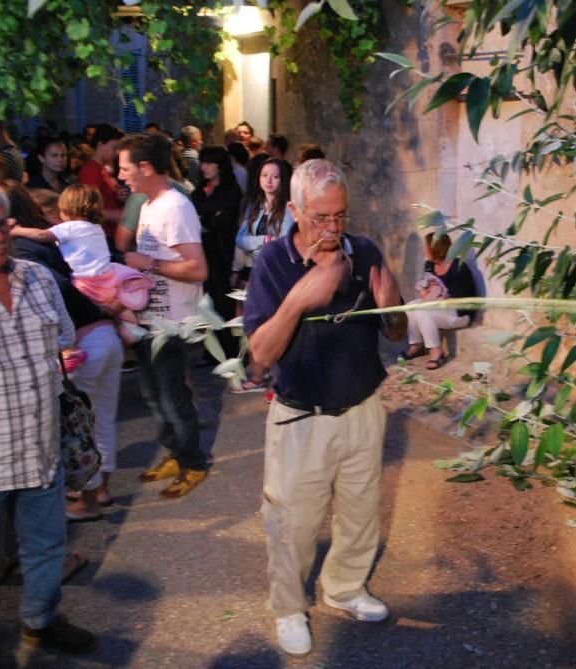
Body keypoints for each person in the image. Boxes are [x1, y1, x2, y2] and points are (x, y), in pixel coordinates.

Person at [243, 159, 406, 657]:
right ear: (294, 210)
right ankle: (290, 607)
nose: (333, 228)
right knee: (291, 521)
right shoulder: (272, 263)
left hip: (361, 409)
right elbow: (260, 355)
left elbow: (396, 332)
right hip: (301, 417)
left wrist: (392, 304)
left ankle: (345, 587)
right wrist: (297, 302)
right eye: (320, 218)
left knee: (360, 514)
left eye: (340, 216)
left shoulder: (364, 251)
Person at [0, 190, 96, 653]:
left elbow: (64, 334)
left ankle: (40, 620)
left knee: (46, 546)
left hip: (40, 444)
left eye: (2, 225)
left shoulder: (36, 277)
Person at [6, 183, 124, 518]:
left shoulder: (28, 250)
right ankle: (101, 491)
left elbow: (60, 296)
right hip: (108, 338)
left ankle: (86, 500)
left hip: (85, 341)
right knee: (103, 418)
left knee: (80, 424)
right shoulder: (80, 237)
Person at [118, 132, 210, 499]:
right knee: (154, 395)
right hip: (148, 319)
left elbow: (198, 269)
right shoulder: (148, 204)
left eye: (125, 168)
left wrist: (148, 263)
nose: (120, 175)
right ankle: (175, 453)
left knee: (172, 396)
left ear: (145, 167)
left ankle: (194, 463)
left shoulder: (175, 207)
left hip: (171, 321)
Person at [10, 184, 152, 344]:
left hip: (86, 283)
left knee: (89, 310)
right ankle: (128, 328)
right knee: (112, 310)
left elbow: (41, 234)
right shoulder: (96, 228)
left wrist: (16, 231)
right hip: (109, 279)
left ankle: (82, 347)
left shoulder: (68, 228)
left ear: (65, 210)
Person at [232, 158, 293, 392]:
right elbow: (240, 238)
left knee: (277, 324)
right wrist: (265, 240)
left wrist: (260, 243)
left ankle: (278, 376)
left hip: (278, 274)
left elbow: (285, 239)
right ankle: (258, 375)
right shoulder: (254, 207)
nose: (269, 180)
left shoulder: (288, 208)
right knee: (252, 324)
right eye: (264, 175)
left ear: (282, 180)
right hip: (255, 271)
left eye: (275, 176)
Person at [192, 145, 242, 358]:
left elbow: (222, 220)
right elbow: (197, 218)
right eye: (202, 162)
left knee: (224, 301)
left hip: (222, 253)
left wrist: (207, 219)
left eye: (209, 162)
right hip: (203, 251)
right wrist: (210, 218)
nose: (204, 167)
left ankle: (230, 350)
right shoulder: (199, 190)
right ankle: (211, 350)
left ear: (220, 165)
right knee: (205, 301)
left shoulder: (231, 189)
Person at [402, 232, 477, 369]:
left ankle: (436, 352)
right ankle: (416, 345)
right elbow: (425, 285)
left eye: (427, 247)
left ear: (436, 249)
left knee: (422, 312)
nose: (424, 250)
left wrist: (436, 299)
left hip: (458, 313)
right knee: (410, 307)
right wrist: (424, 292)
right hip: (437, 306)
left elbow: (459, 301)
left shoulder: (458, 268)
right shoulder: (430, 265)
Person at [77, 123, 125, 238]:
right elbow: (88, 210)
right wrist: (116, 215)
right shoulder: (90, 171)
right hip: (101, 234)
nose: (116, 152)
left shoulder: (103, 169)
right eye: (113, 148)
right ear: (100, 145)